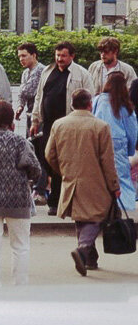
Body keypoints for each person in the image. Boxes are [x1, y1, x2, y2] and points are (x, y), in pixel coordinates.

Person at [46, 89, 121, 275]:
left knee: (82, 217)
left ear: (72, 104)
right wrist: (114, 185)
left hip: (70, 179)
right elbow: (107, 161)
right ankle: (83, 249)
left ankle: (90, 258)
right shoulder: (101, 126)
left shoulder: (59, 124)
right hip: (96, 181)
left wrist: (63, 170)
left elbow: (49, 154)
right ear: (90, 104)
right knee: (96, 216)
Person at [0, 101, 42, 287]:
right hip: (17, 201)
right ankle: (19, 288)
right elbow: (36, 169)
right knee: (20, 247)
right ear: (11, 120)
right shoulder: (20, 141)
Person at [32, 40, 93, 215]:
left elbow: (91, 99)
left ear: (72, 56)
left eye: (63, 56)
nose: (59, 59)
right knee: (48, 160)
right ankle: (54, 197)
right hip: (49, 125)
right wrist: (36, 120)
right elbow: (39, 96)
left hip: (71, 125)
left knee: (66, 163)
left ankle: (59, 202)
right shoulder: (47, 71)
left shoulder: (81, 74)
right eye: (57, 55)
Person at [92, 72, 137, 212]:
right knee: (121, 176)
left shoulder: (98, 99)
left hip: (99, 140)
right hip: (118, 143)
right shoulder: (125, 105)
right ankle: (125, 207)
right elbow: (132, 129)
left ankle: (102, 205)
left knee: (101, 174)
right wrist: (130, 149)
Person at [15, 42, 45, 129]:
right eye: (19, 56)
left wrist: (21, 98)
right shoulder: (25, 73)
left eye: (24, 56)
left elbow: (27, 91)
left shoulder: (40, 70)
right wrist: (21, 105)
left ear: (34, 55)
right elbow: (23, 92)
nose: (21, 59)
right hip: (31, 112)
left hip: (40, 115)